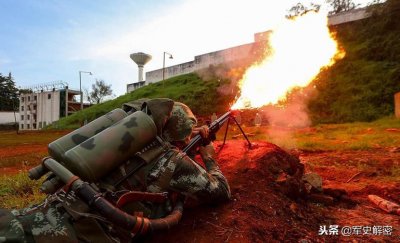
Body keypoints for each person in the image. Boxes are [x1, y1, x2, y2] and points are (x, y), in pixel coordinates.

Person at [0, 98, 231, 242]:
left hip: (44, 212)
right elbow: (221, 191)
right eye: (188, 132)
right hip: (80, 234)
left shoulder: (118, 145)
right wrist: (209, 158)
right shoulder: (174, 160)